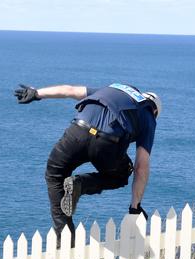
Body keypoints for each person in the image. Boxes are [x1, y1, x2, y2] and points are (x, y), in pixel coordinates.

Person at [14, 82, 161, 241]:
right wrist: (135, 207)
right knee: (121, 174)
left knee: (55, 175)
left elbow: (69, 90)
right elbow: (141, 167)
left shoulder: (114, 90)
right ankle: (81, 184)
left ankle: (64, 240)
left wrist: (36, 93)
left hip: (78, 131)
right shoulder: (148, 114)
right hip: (107, 144)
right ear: (155, 110)